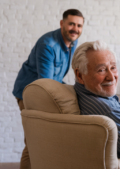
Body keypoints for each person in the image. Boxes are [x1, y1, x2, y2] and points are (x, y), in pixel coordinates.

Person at [12, 9, 84, 169]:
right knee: (33, 141)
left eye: (79, 25)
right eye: (71, 24)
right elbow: (46, 84)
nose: (75, 29)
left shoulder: (73, 41)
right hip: (29, 93)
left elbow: (56, 79)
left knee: (46, 140)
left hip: (47, 87)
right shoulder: (48, 45)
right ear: (62, 23)